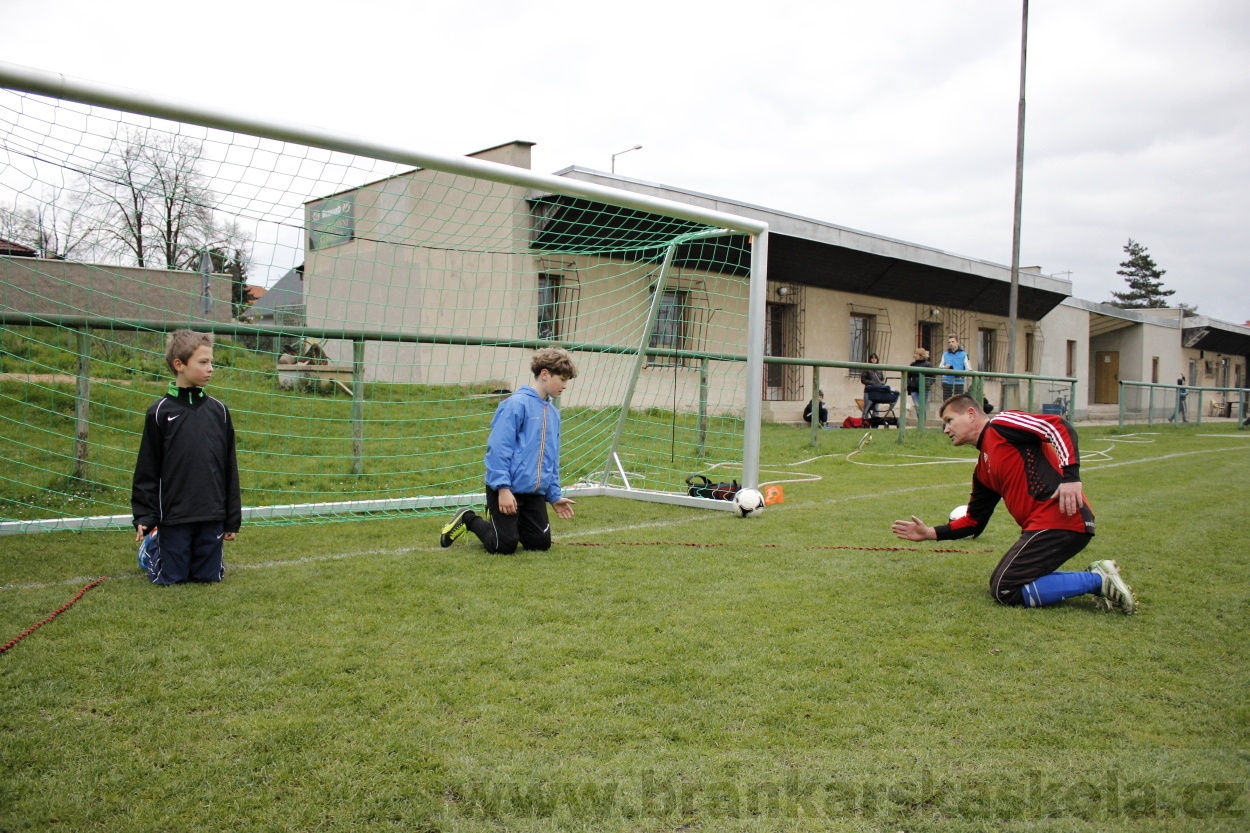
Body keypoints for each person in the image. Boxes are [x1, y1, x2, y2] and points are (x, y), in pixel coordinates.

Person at [890, 394, 1135, 613]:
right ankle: (1096, 577)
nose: (946, 430)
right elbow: (974, 522)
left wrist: (1071, 478)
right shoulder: (982, 469)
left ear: (971, 414)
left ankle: (1098, 581)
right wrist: (929, 533)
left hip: (1061, 519)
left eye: (949, 421)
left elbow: (1057, 426)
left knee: (1005, 589)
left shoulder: (1002, 424)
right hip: (1044, 526)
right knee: (1007, 584)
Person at [440, 347, 579, 554]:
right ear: (544, 374)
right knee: (503, 546)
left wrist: (553, 495)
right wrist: (503, 489)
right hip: (508, 489)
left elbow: (550, 459)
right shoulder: (515, 405)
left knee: (540, 544)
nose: (565, 386)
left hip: (533, 493)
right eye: (562, 379)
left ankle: (514, 525)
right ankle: (468, 518)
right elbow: (498, 449)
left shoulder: (553, 414)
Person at [131, 330, 241, 585]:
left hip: (211, 514)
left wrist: (231, 519)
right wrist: (146, 517)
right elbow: (147, 468)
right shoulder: (159, 412)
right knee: (171, 579)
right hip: (175, 515)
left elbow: (229, 469)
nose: (210, 368)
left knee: (209, 577)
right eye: (203, 363)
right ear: (178, 365)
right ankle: (150, 549)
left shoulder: (220, 412)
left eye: (211, 362)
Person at [859, 353, 895, 420]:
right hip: (869, 390)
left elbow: (881, 378)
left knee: (876, 407)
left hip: (877, 391)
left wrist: (881, 383)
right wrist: (871, 383)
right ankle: (864, 421)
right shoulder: (866, 368)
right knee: (867, 407)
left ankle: (875, 421)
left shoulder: (879, 369)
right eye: (872, 358)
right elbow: (863, 380)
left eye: (875, 358)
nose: (873, 359)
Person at [907, 347, 934, 422]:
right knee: (917, 405)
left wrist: (928, 384)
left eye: (916, 354)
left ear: (920, 355)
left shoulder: (928, 365)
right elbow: (908, 376)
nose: (914, 355)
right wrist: (910, 384)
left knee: (921, 406)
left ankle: (922, 423)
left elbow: (933, 376)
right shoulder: (912, 365)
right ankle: (921, 422)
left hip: (924, 389)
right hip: (914, 389)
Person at [939, 335, 969, 401]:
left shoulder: (964, 354)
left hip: (959, 381)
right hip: (947, 381)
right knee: (946, 402)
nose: (951, 344)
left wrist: (962, 374)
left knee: (958, 402)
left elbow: (968, 368)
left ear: (957, 342)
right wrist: (945, 367)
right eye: (949, 342)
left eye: (953, 342)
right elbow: (940, 367)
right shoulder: (945, 354)